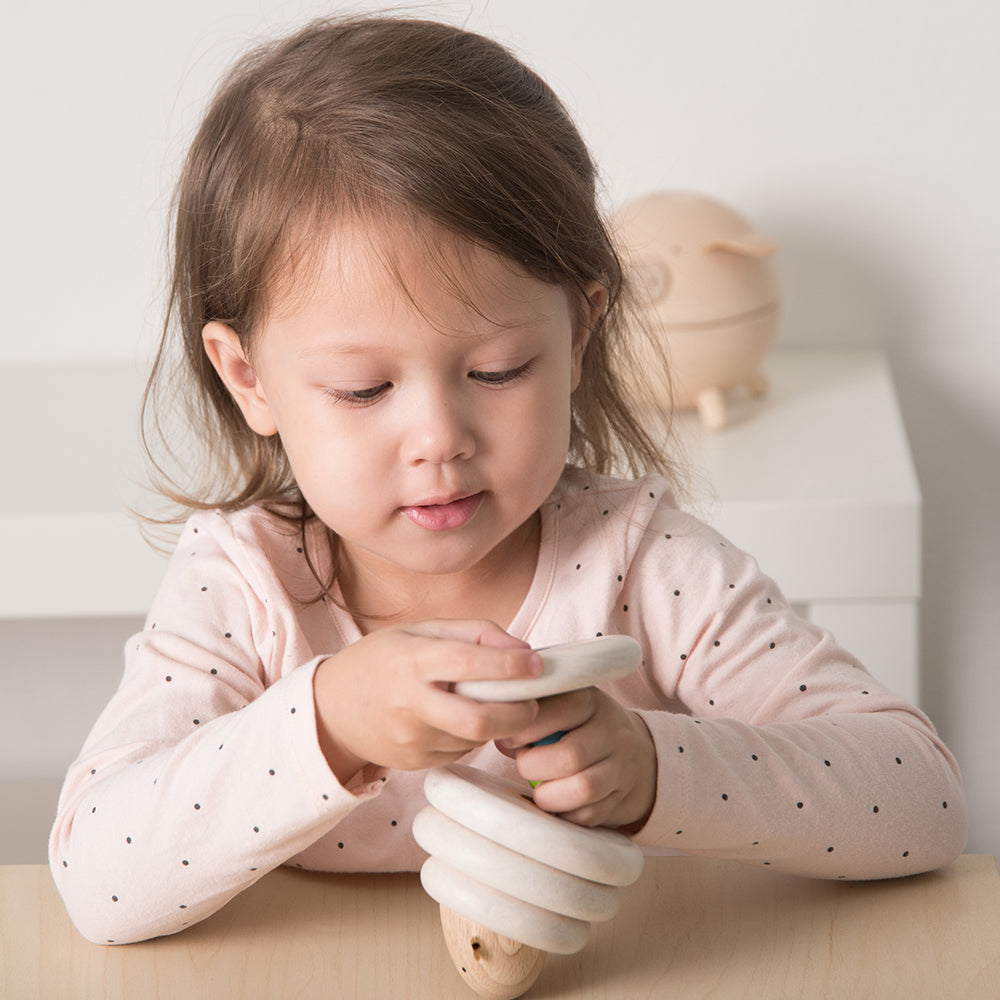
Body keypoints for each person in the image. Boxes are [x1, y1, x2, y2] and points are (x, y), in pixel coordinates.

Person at [50, 14, 966, 945]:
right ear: (249, 378)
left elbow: (923, 797)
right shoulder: (244, 582)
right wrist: (327, 721)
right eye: (364, 389)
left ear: (578, 332)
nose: (440, 440)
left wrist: (658, 770)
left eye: (496, 372)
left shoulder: (641, 562)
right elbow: (98, 879)